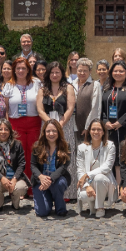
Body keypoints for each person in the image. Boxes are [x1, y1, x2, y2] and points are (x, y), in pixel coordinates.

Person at [37, 62, 78, 200]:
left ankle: (68, 193)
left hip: (64, 125)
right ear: (48, 73)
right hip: (47, 124)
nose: (54, 75)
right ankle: (47, 188)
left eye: (57, 72)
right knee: (47, 154)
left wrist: (59, 124)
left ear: (62, 73)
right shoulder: (43, 89)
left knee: (64, 155)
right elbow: (40, 109)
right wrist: (50, 124)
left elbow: (70, 108)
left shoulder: (69, 88)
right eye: (52, 72)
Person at [2, 58, 41, 179]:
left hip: (34, 123)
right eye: (18, 68)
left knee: (34, 152)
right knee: (18, 154)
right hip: (15, 124)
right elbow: (6, 109)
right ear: (14, 70)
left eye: (23, 68)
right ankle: (20, 184)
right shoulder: (9, 85)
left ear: (29, 69)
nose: (20, 70)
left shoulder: (36, 83)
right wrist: (8, 126)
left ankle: (33, 185)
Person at [102, 61, 126, 183]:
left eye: (121, 71)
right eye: (115, 71)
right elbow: (100, 108)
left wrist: (121, 122)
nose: (118, 73)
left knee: (122, 156)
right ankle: (111, 185)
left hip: (125, 128)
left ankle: (122, 185)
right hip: (108, 128)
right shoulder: (107, 87)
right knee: (110, 156)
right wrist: (105, 121)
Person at [0, 119, 29, 211]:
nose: (3, 132)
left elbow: (21, 164)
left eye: (6, 129)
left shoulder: (17, 145)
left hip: (15, 178)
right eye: (0, 129)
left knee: (21, 187)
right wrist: (1, 177)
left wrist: (15, 178)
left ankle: (15, 203)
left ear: (10, 131)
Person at [29, 119, 71, 217]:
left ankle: (60, 208)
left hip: (57, 178)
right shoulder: (37, 146)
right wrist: (41, 177)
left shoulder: (65, 146)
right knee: (42, 213)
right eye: (48, 131)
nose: (51, 133)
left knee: (59, 183)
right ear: (44, 132)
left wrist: (50, 179)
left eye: (54, 131)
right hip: (40, 180)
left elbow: (63, 167)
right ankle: (48, 198)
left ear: (59, 132)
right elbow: (33, 165)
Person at [76, 119, 117, 217]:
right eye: (93, 129)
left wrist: (87, 175)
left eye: (99, 129)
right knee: (84, 195)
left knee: (99, 178)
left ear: (103, 132)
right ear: (89, 131)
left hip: (104, 181)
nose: (96, 132)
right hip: (87, 182)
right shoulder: (81, 148)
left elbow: (107, 167)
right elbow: (80, 169)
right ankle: (92, 205)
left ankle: (100, 207)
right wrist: (87, 186)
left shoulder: (110, 146)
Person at [74, 58, 103, 142]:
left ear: (90, 71)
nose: (82, 73)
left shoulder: (95, 85)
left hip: (87, 127)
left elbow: (95, 107)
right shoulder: (72, 84)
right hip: (73, 126)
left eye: (85, 71)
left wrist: (89, 127)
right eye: (80, 70)